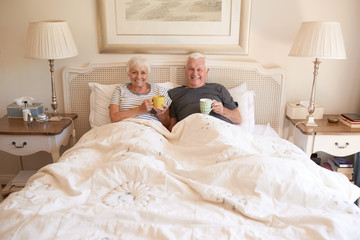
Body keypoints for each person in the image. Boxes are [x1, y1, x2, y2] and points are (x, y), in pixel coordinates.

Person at [168, 53, 241, 131]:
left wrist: (222, 111)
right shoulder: (174, 94)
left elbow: (238, 119)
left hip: (218, 130)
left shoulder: (218, 89)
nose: (195, 73)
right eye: (191, 69)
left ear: (206, 71)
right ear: (185, 70)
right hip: (191, 132)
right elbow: (172, 128)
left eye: (199, 69)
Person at [109, 56, 171, 128]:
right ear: (128, 73)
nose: (138, 77)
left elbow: (166, 124)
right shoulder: (119, 90)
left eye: (143, 73)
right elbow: (114, 118)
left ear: (148, 74)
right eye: (134, 72)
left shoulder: (160, 91)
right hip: (125, 129)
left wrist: (161, 114)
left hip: (150, 130)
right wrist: (140, 109)